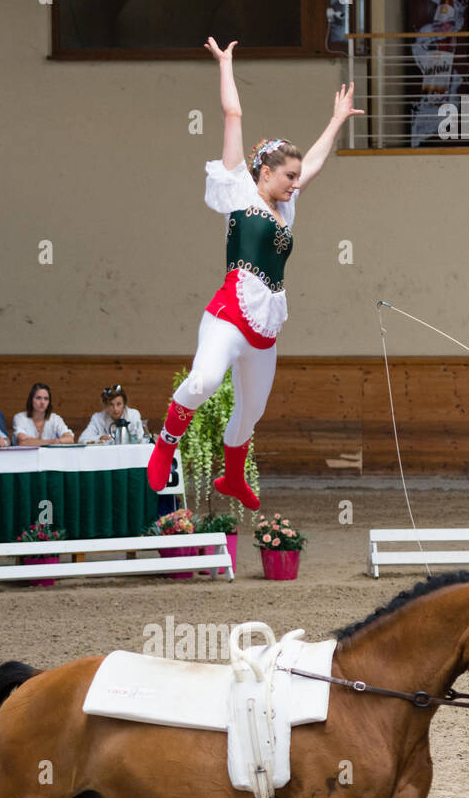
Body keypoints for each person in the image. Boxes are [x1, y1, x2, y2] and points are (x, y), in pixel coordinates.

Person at [146, 37, 362, 509]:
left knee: (251, 413)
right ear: (264, 172)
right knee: (203, 382)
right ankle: (165, 443)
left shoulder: (288, 205)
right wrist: (226, 65)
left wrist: (336, 120)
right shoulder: (238, 192)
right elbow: (233, 117)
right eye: (288, 176)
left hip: (266, 326)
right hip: (228, 315)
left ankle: (234, 477)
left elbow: (316, 165)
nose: (295, 183)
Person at [78, 383, 145, 444]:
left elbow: (140, 438)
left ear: (124, 404)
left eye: (119, 404)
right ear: (105, 405)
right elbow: (82, 439)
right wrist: (99, 438)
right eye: (111, 405)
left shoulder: (133, 415)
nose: (115, 409)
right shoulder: (97, 418)